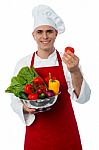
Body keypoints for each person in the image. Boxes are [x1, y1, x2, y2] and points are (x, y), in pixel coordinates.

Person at [11, 4, 91, 150]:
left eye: (49, 31)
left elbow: (84, 98)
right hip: (37, 135)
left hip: (66, 133)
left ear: (56, 34)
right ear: (33, 35)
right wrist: (24, 107)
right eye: (40, 32)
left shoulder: (68, 61)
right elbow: (15, 101)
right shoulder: (23, 63)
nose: (45, 36)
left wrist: (74, 71)